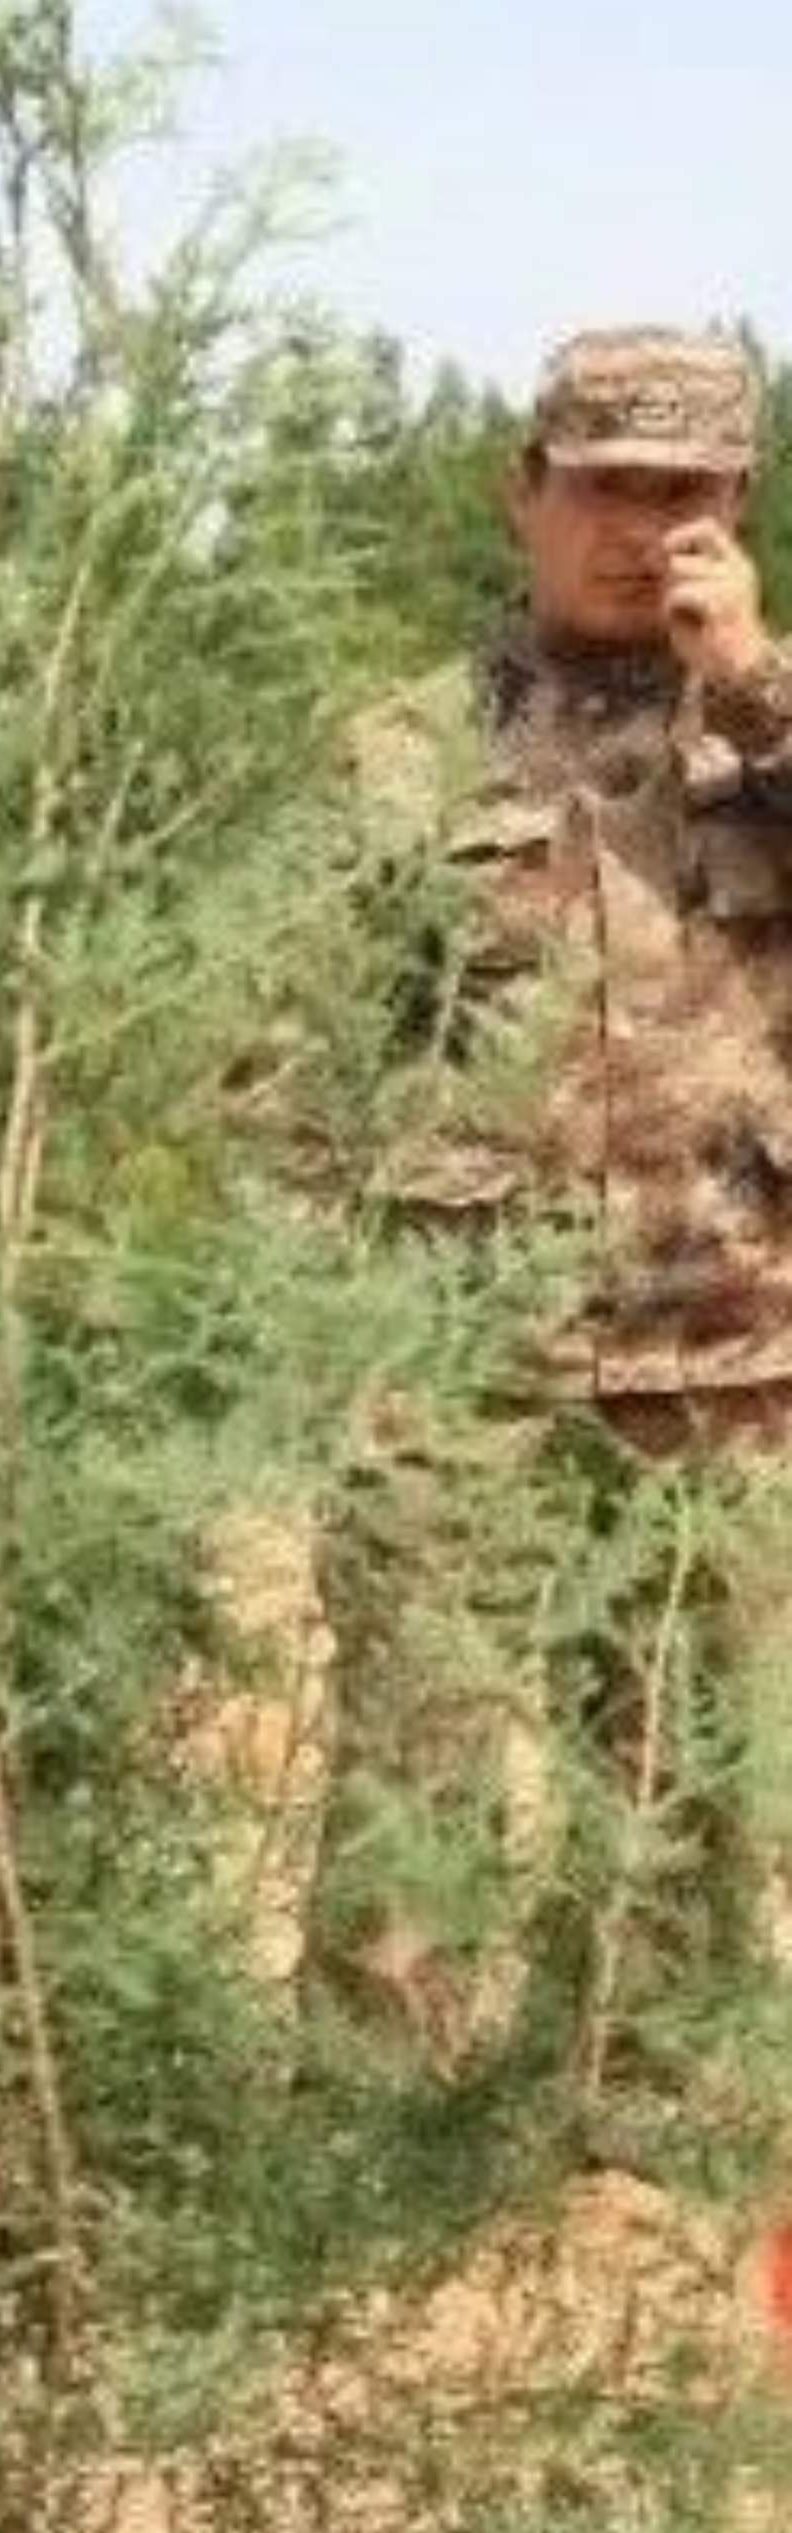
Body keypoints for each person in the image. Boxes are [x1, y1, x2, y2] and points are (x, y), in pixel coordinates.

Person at [329, 329, 792, 2037]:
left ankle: (653, 2100)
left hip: (727, 1333)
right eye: (602, 487)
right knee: (415, 1745)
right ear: (524, 492)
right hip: (461, 1343)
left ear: (736, 507)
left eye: (680, 493)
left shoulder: (774, 725)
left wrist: (744, 680)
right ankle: (379, 2117)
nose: (633, 528)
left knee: (685, 1752)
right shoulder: (401, 749)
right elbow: (291, 1054)